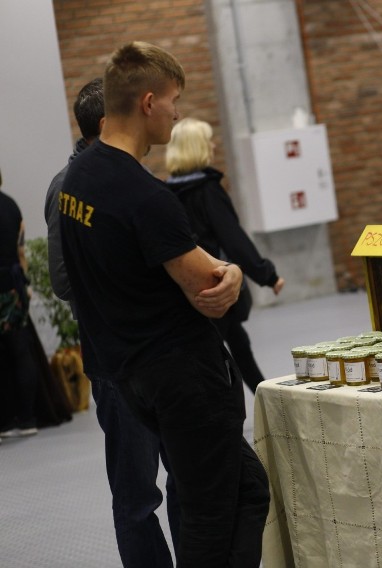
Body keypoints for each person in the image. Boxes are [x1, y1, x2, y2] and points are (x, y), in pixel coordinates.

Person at [59, 42, 269, 566]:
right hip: (183, 382)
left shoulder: (77, 179)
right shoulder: (146, 196)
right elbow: (213, 292)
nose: (179, 112)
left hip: (132, 373)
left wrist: (227, 270)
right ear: (149, 102)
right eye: (175, 100)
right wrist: (237, 273)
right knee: (209, 515)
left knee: (248, 488)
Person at [45, 77, 180, 567]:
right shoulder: (69, 187)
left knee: (185, 479)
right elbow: (63, 281)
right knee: (136, 496)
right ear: (107, 123)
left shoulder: (130, 177)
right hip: (117, 365)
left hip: (161, 358)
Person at [165, 118, 285, 393]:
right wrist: (268, 275)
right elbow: (234, 239)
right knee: (217, 355)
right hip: (216, 286)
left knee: (237, 343)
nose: (214, 145)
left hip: (188, 290)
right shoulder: (207, 190)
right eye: (208, 141)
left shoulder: (167, 193)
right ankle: (250, 406)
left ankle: (268, 401)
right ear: (196, 147)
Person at [0, 168, 39, 439]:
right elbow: (20, 251)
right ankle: (27, 418)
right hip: (12, 287)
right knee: (20, 350)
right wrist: (24, 285)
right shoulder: (11, 206)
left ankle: (3, 422)